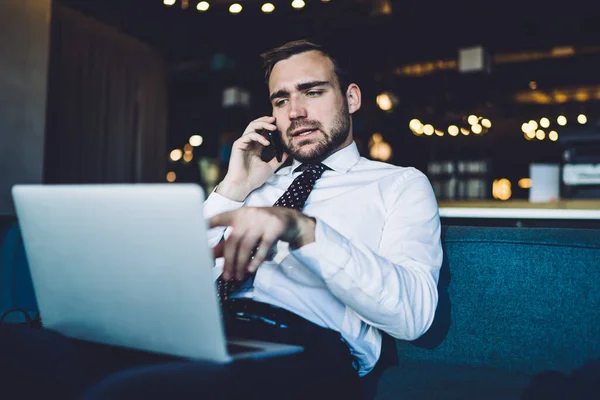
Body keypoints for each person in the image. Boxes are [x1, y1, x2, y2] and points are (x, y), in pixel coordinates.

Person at [0, 39, 442, 400]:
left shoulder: (398, 185)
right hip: (204, 333)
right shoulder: (257, 183)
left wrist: (303, 230)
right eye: (281, 99)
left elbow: (414, 315)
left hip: (305, 347)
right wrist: (232, 187)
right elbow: (176, 280)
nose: (296, 112)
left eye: (313, 91)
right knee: (21, 351)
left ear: (351, 97)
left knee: (132, 392)